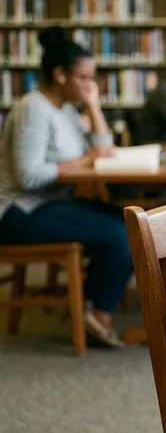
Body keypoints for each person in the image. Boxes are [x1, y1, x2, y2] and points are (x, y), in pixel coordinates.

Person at [0, 26, 133, 347]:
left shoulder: (67, 111)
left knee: (131, 222)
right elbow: (28, 177)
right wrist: (86, 160)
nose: (91, 85)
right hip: (20, 211)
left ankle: (89, 305)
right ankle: (95, 311)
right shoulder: (34, 108)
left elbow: (104, 148)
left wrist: (94, 107)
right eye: (85, 78)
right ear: (60, 75)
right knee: (122, 235)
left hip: (52, 203)